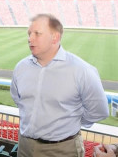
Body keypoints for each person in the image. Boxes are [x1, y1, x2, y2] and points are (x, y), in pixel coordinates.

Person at [10, 14, 109, 157]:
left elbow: (99, 111)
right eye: (29, 33)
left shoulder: (82, 71)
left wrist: (70, 120)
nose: (30, 38)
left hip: (63, 150)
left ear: (55, 37)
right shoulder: (21, 67)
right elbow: (18, 100)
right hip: (25, 146)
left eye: (37, 33)